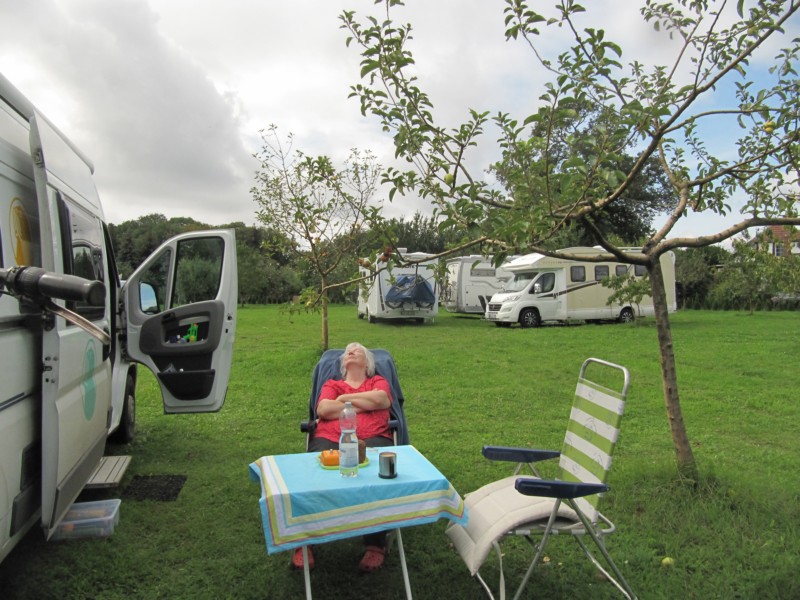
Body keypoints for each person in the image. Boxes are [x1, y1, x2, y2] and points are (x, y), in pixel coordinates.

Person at [295, 342, 394, 573]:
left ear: (367, 363)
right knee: (314, 479)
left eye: (356, 350)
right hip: (330, 437)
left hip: (372, 436)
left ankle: (375, 543)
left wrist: (343, 401)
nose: (350, 351)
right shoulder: (332, 384)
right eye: (347, 351)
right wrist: (362, 405)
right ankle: (305, 541)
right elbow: (323, 410)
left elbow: (382, 400)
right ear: (342, 364)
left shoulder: (377, 381)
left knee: (375, 478)